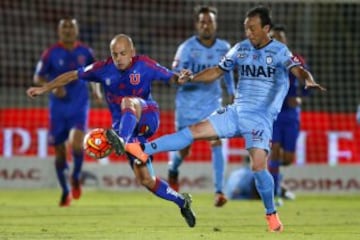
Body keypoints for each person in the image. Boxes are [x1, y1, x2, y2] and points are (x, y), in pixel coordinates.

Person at [117, 6, 326, 232]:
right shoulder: (240, 49)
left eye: (253, 29)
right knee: (194, 131)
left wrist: (308, 79)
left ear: (266, 29)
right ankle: (143, 149)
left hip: (260, 119)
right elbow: (217, 71)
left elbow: (298, 69)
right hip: (236, 112)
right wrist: (192, 78)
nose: (249, 33)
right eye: (246, 29)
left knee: (258, 166)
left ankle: (271, 214)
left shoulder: (280, 51)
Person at [27, 34, 196, 228]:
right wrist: (45, 88)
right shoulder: (102, 69)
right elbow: (72, 75)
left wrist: (181, 78)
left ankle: (121, 140)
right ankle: (182, 202)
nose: (119, 58)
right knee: (147, 180)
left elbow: (171, 77)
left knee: (128, 101)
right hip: (127, 129)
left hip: (147, 115)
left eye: (123, 53)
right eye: (115, 54)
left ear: (132, 52)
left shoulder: (144, 64)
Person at [169, 5, 235, 207]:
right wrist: (183, 77)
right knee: (183, 149)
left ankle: (219, 191)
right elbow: (174, 76)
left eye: (210, 22)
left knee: (216, 141)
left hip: (211, 105)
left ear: (216, 25)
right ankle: (173, 169)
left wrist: (232, 93)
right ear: (197, 25)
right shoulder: (187, 48)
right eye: (202, 22)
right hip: (187, 106)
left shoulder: (224, 47)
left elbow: (229, 72)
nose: (206, 25)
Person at [33, 18, 102, 207]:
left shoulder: (86, 52)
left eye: (71, 27)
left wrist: (96, 91)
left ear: (77, 30)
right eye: (64, 27)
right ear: (58, 31)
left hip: (79, 105)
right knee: (60, 152)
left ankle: (76, 176)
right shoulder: (51, 53)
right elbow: (37, 77)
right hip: (58, 108)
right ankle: (65, 191)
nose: (68, 30)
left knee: (77, 144)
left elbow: (95, 73)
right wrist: (53, 88)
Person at [267, 24, 309, 206]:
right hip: (273, 114)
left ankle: (277, 180)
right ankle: (275, 194)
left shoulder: (296, 60)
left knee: (288, 158)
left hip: (291, 114)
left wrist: (300, 96)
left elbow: (308, 81)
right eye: (273, 38)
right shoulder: (264, 60)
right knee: (274, 151)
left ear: (285, 41)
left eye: (280, 38)